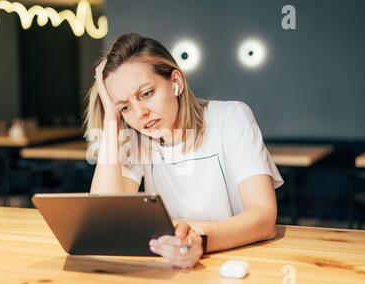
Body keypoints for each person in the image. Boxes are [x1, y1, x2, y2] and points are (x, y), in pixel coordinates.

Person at [84, 33, 284, 269]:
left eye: (147, 94)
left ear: (176, 82)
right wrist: (111, 117)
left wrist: (198, 239)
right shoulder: (137, 138)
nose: (140, 114)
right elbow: (106, 218)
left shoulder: (231, 117)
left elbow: (263, 218)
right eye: (126, 107)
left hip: (237, 260)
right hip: (170, 266)